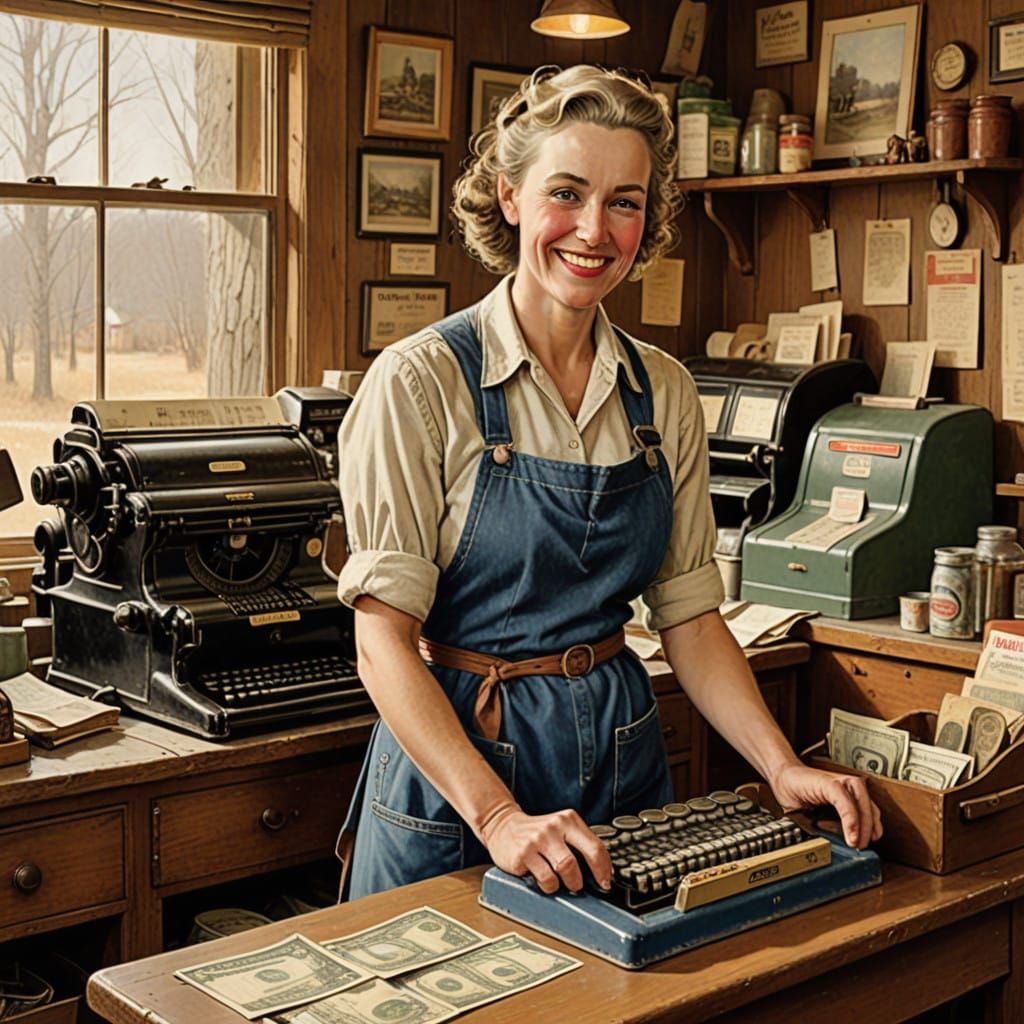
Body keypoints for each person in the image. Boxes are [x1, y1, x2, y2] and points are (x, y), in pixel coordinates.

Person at [335, 64, 881, 901]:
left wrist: (779, 766)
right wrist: (499, 820)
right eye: (566, 192)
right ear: (509, 196)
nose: (593, 230)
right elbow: (382, 645)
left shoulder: (664, 392)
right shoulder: (420, 383)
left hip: (621, 758)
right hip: (462, 778)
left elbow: (691, 618)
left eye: (624, 201)